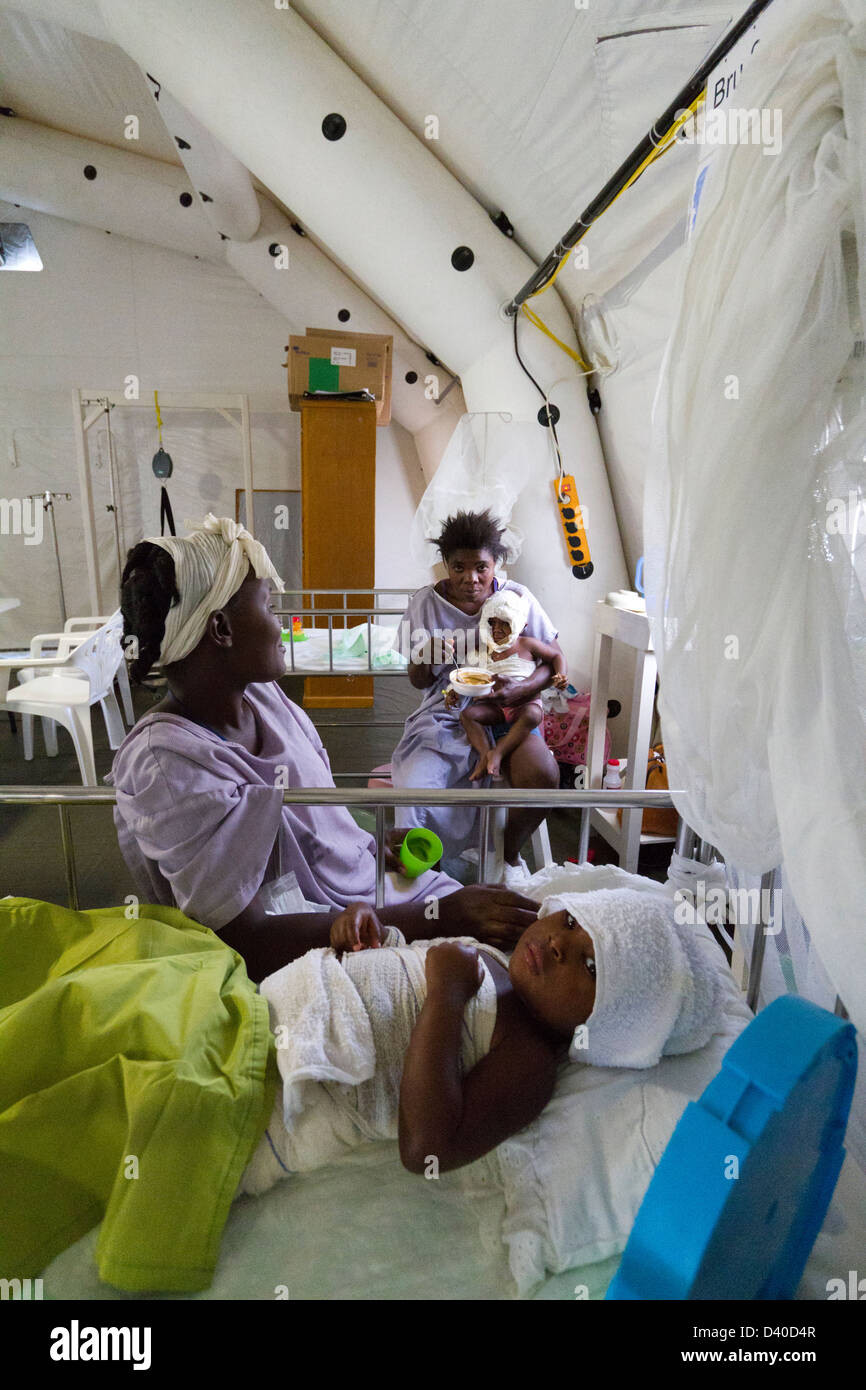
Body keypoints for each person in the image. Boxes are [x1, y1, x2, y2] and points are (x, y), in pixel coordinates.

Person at [110, 515, 541, 982]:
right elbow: (244, 941)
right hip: (311, 940)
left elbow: (309, 820)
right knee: (500, 982)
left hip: (366, 893)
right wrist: (445, 916)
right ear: (221, 629)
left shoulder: (261, 697)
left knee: (536, 940)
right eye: (270, 608)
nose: (280, 628)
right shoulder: (167, 763)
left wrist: (370, 847)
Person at [241, 886, 726, 1188]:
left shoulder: (528, 1060)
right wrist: (367, 930)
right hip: (258, 1008)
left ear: (609, 1023)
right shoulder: (494, 957)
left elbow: (427, 1149)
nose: (558, 942)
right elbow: (408, 964)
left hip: (274, 1100)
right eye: (573, 922)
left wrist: (446, 999)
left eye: (591, 964)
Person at [390, 509, 562, 881]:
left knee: (544, 775)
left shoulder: (518, 598)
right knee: (417, 788)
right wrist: (425, 654)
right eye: (458, 568)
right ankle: (426, 873)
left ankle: (508, 855)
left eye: (481, 567)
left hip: (510, 707)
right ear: (445, 566)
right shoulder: (426, 604)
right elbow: (419, 681)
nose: (471, 579)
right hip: (448, 707)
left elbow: (552, 662)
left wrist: (523, 688)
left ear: (496, 563)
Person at [450, 587, 568, 783]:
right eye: (491, 623)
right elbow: (464, 676)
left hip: (524, 706)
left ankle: (498, 752)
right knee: (468, 715)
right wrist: (453, 692)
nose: (496, 629)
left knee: (533, 715)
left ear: (522, 624)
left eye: (505, 624)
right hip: (495, 710)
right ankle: (484, 753)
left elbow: (556, 656)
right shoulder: (482, 651)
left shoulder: (527, 644)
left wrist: (561, 675)